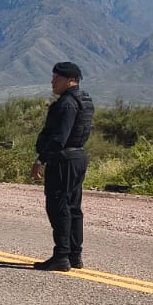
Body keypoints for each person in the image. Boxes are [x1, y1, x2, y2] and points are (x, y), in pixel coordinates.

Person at [30, 61, 95, 271]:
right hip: (77, 158)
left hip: (63, 160)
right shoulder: (84, 100)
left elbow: (60, 137)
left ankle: (62, 256)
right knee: (73, 207)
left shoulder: (67, 103)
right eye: (53, 77)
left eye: (57, 78)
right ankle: (75, 255)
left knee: (59, 207)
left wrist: (41, 159)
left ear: (71, 80)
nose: (53, 82)